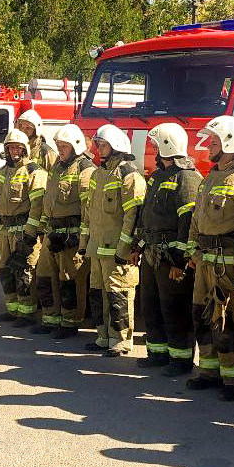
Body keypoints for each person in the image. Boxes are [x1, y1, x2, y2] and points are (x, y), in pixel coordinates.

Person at [186, 116, 234, 400]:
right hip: (204, 261)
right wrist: (193, 250)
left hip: (229, 265)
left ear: (229, 142)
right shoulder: (210, 177)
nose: (208, 146)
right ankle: (209, 371)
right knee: (202, 317)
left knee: (229, 321)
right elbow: (196, 218)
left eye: (214, 141)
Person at [134, 122, 201, 374]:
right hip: (152, 253)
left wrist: (179, 260)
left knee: (175, 308)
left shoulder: (188, 178)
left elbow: (188, 222)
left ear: (166, 145)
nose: (152, 149)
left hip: (170, 258)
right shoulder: (159, 176)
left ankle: (181, 360)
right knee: (151, 305)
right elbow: (147, 217)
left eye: (155, 145)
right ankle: (158, 353)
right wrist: (138, 247)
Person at [80, 125, 145, 356]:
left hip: (116, 251)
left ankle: (120, 340)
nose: (99, 149)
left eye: (104, 145)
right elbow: (89, 213)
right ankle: (103, 336)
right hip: (96, 248)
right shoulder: (98, 173)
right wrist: (83, 243)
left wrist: (124, 248)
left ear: (116, 145)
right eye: (98, 145)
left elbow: (133, 217)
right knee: (98, 293)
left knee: (119, 294)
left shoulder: (129, 176)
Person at [33, 124, 94, 338]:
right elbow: (48, 200)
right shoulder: (58, 166)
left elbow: (88, 207)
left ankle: (70, 322)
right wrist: (43, 229)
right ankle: (51, 318)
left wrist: (80, 237)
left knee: (70, 279)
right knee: (44, 275)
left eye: (64, 146)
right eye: (58, 146)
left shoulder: (85, 168)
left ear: (75, 146)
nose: (60, 150)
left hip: (71, 235)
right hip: (53, 232)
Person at [0, 129, 47, 326]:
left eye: (18, 147)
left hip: (23, 230)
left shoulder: (34, 171)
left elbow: (38, 205)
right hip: (5, 230)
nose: (14, 151)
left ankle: (27, 313)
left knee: (25, 271)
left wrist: (30, 233)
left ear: (25, 149)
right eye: (10, 147)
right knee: (6, 270)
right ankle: (13, 309)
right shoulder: (3, 172)